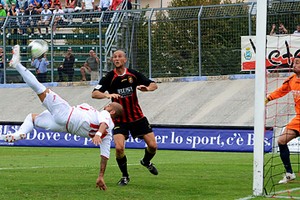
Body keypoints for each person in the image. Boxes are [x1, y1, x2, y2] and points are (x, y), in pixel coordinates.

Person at [3, 45, 124, 191]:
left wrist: (98, 133)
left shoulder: (106, 118)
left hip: (67, 114)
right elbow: (105, 156)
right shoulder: (108, 135)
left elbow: (104, 121)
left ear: (112, 112)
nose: (106, 106)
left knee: (39, 88)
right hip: (62, 126)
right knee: (32, 118)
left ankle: (17, 64)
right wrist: (101, 176)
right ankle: (18, 134)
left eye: (109, 106)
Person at [92, 49, 159, 186]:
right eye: (114, 57)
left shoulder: (133, 74)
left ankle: (145, 162)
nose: (116, 59)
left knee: (152, 146)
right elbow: (94, 93)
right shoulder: (109, 77)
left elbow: (153, 84)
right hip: (119, 120)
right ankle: (125, 176)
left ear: (125, 59)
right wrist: (107, 95)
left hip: (137, 117)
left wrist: (148, 89)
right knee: (119, 148)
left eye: (119, 56)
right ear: (112, 60)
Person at [265, 55, 300, 184]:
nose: (294, 65)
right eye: (294, 62)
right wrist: (268, 99)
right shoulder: (292, 80)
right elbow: (281, 91)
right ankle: (289, 173)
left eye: (297, 63)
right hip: (298, 119)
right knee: (281, 141)